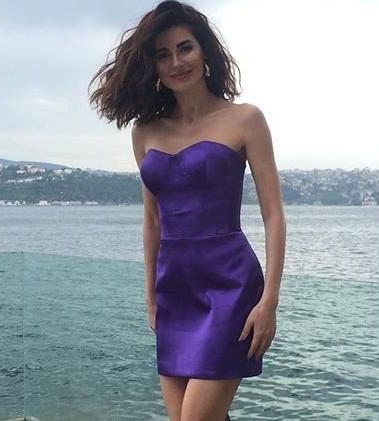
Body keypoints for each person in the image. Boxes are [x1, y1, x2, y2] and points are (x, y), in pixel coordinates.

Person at [89, 1, 286, 419]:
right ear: (153, 66)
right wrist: (151, 298)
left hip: (230, 285)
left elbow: (273, 216)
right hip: (174, 291)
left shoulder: (245, 119)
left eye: (185, 48)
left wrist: (269, 301)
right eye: (163, 54)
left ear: (205, 51)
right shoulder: (144, 132)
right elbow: (152, 221)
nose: (177, 62)